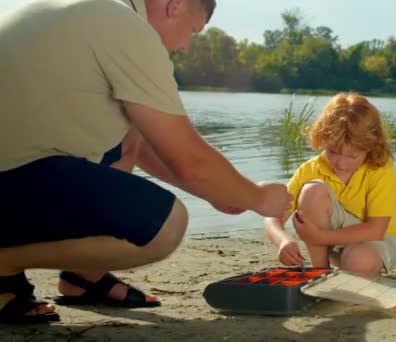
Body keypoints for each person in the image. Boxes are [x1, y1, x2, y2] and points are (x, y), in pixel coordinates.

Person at [0, 0, 292, 323]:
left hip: (16, 172)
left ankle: (84, 277)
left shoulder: (90, 9)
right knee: (165, 225)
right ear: (175, 6)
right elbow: (191, 162)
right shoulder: (126, 26)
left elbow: (151, 147)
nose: (184, 45)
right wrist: (259, 198)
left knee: (131, 131)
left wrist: (215, 191)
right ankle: (3, 266)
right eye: (192, 32)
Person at [264, 92, 396, 278]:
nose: (341, 163)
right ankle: (321, 272)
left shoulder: (380, 168)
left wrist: (320, 237)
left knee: (358, 262)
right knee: (312, 191)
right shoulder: (310, 170)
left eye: (352, 156)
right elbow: (273, 217)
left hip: (379, 240)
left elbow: (376, 229)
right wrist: (282, 241)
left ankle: (360, 269)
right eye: (333, 151)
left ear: (371, 147)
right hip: (334, 243)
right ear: (322, 139)